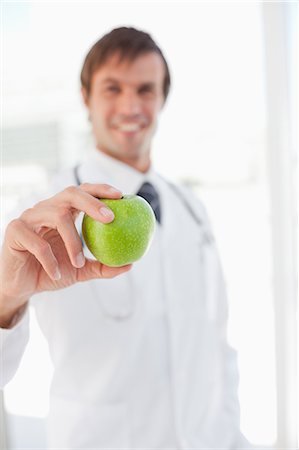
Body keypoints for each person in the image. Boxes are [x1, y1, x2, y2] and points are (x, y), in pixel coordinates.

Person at [0, 27, 251, 449]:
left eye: (145, 90)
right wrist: (6, 298)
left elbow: (217, 341)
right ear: (86, 97)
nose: (131, 105)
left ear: (162, 99)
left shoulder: (192, 207)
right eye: (112, 88)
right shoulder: (39, 217)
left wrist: (230, 434)